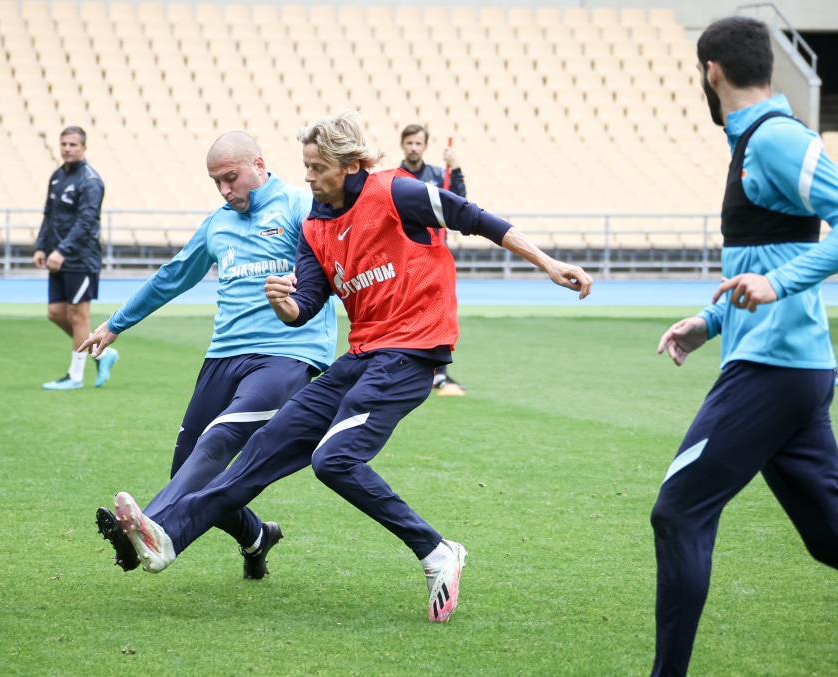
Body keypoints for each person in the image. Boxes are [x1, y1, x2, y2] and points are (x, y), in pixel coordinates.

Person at [107, 111, 593, 622]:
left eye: (317, 168)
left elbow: (475, 218)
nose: (308, 177)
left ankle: (437, 551)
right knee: (266, 445)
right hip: (362, 355)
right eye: (306, 166)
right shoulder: (315, 225)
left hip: (411, 353)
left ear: (349, 164)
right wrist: (283, 303)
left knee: (333, 459)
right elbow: (306, 306)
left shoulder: (396, 192)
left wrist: (549, 263)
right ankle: (168, 537)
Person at [651, 16, 838, 676]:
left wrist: (776, 284)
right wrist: (709, 321)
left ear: (711, 71)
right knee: (828, 537)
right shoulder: (752, 143)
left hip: (772, 372)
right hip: (787, 368)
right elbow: (762, 260)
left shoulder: (776, 138)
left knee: (677, 511)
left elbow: (776, 271)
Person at [83, 131, 337, 578]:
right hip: (223, 356)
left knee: (219, 440)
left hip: (286, 354)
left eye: (230, 177)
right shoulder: (217, 224)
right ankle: (257, 537)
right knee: (188, 470)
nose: (224, 189)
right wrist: (116, 323)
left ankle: (148, 526)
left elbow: (339, 261)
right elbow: (173, 275)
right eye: (216, 181)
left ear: (259, 165)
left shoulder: (300, 206)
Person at [33, 126, 119, 390]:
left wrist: (61, 250)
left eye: (73, 144)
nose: (67, 149)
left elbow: (86, 221)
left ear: (84, 147)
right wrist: (41, 246)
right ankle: (103, 353)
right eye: (64, 144)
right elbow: (49, 214)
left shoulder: (91, 181)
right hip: (57, 257)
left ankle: (75, 377)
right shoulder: (57, 176)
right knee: (55, 313)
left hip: (81, 259)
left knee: (78, 315)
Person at [399, 124, 467, 395]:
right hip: (405, 257)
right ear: (402, 145)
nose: (414, 148)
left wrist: (456, 169)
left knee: (440, 315)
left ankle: (440, 374)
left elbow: (459, 205)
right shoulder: (396, 178)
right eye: (410, 143)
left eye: (418, 143)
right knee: (407, 315)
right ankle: (406, 368)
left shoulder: (440, 175)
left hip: (436, 256)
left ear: (425, 146)